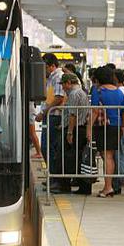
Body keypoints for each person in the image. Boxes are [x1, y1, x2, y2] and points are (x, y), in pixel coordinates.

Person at [86, 66, 124, 198]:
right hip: (115, 126)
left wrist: (89, 129)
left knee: (107, 157)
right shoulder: (118, 92)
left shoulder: (98, 91)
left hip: (102, 127)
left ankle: (108, 187)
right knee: (110, 156)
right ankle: (110, 185)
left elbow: (94, 111)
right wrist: (121, 125)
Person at [36, 53, 65, 188]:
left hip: (55, 116)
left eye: (45, 68)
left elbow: (58, 98)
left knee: (49, 147)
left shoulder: (58, 76)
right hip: (50, 116)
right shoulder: (51, 77)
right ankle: (52, 176)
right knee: (47, 147)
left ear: (52, 66)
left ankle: (55, 179)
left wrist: (44, 112)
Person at [60, 73, 91, 194]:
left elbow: (73, 114)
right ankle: (84, 186)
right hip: (81, 128)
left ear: (68, 83)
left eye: (63, 84)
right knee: (80, 158)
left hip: (76, 129)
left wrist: (69, 132)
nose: (63, 88)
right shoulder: (82, 92)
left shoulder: (73, 94)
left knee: (71, 158)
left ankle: (67, 185)